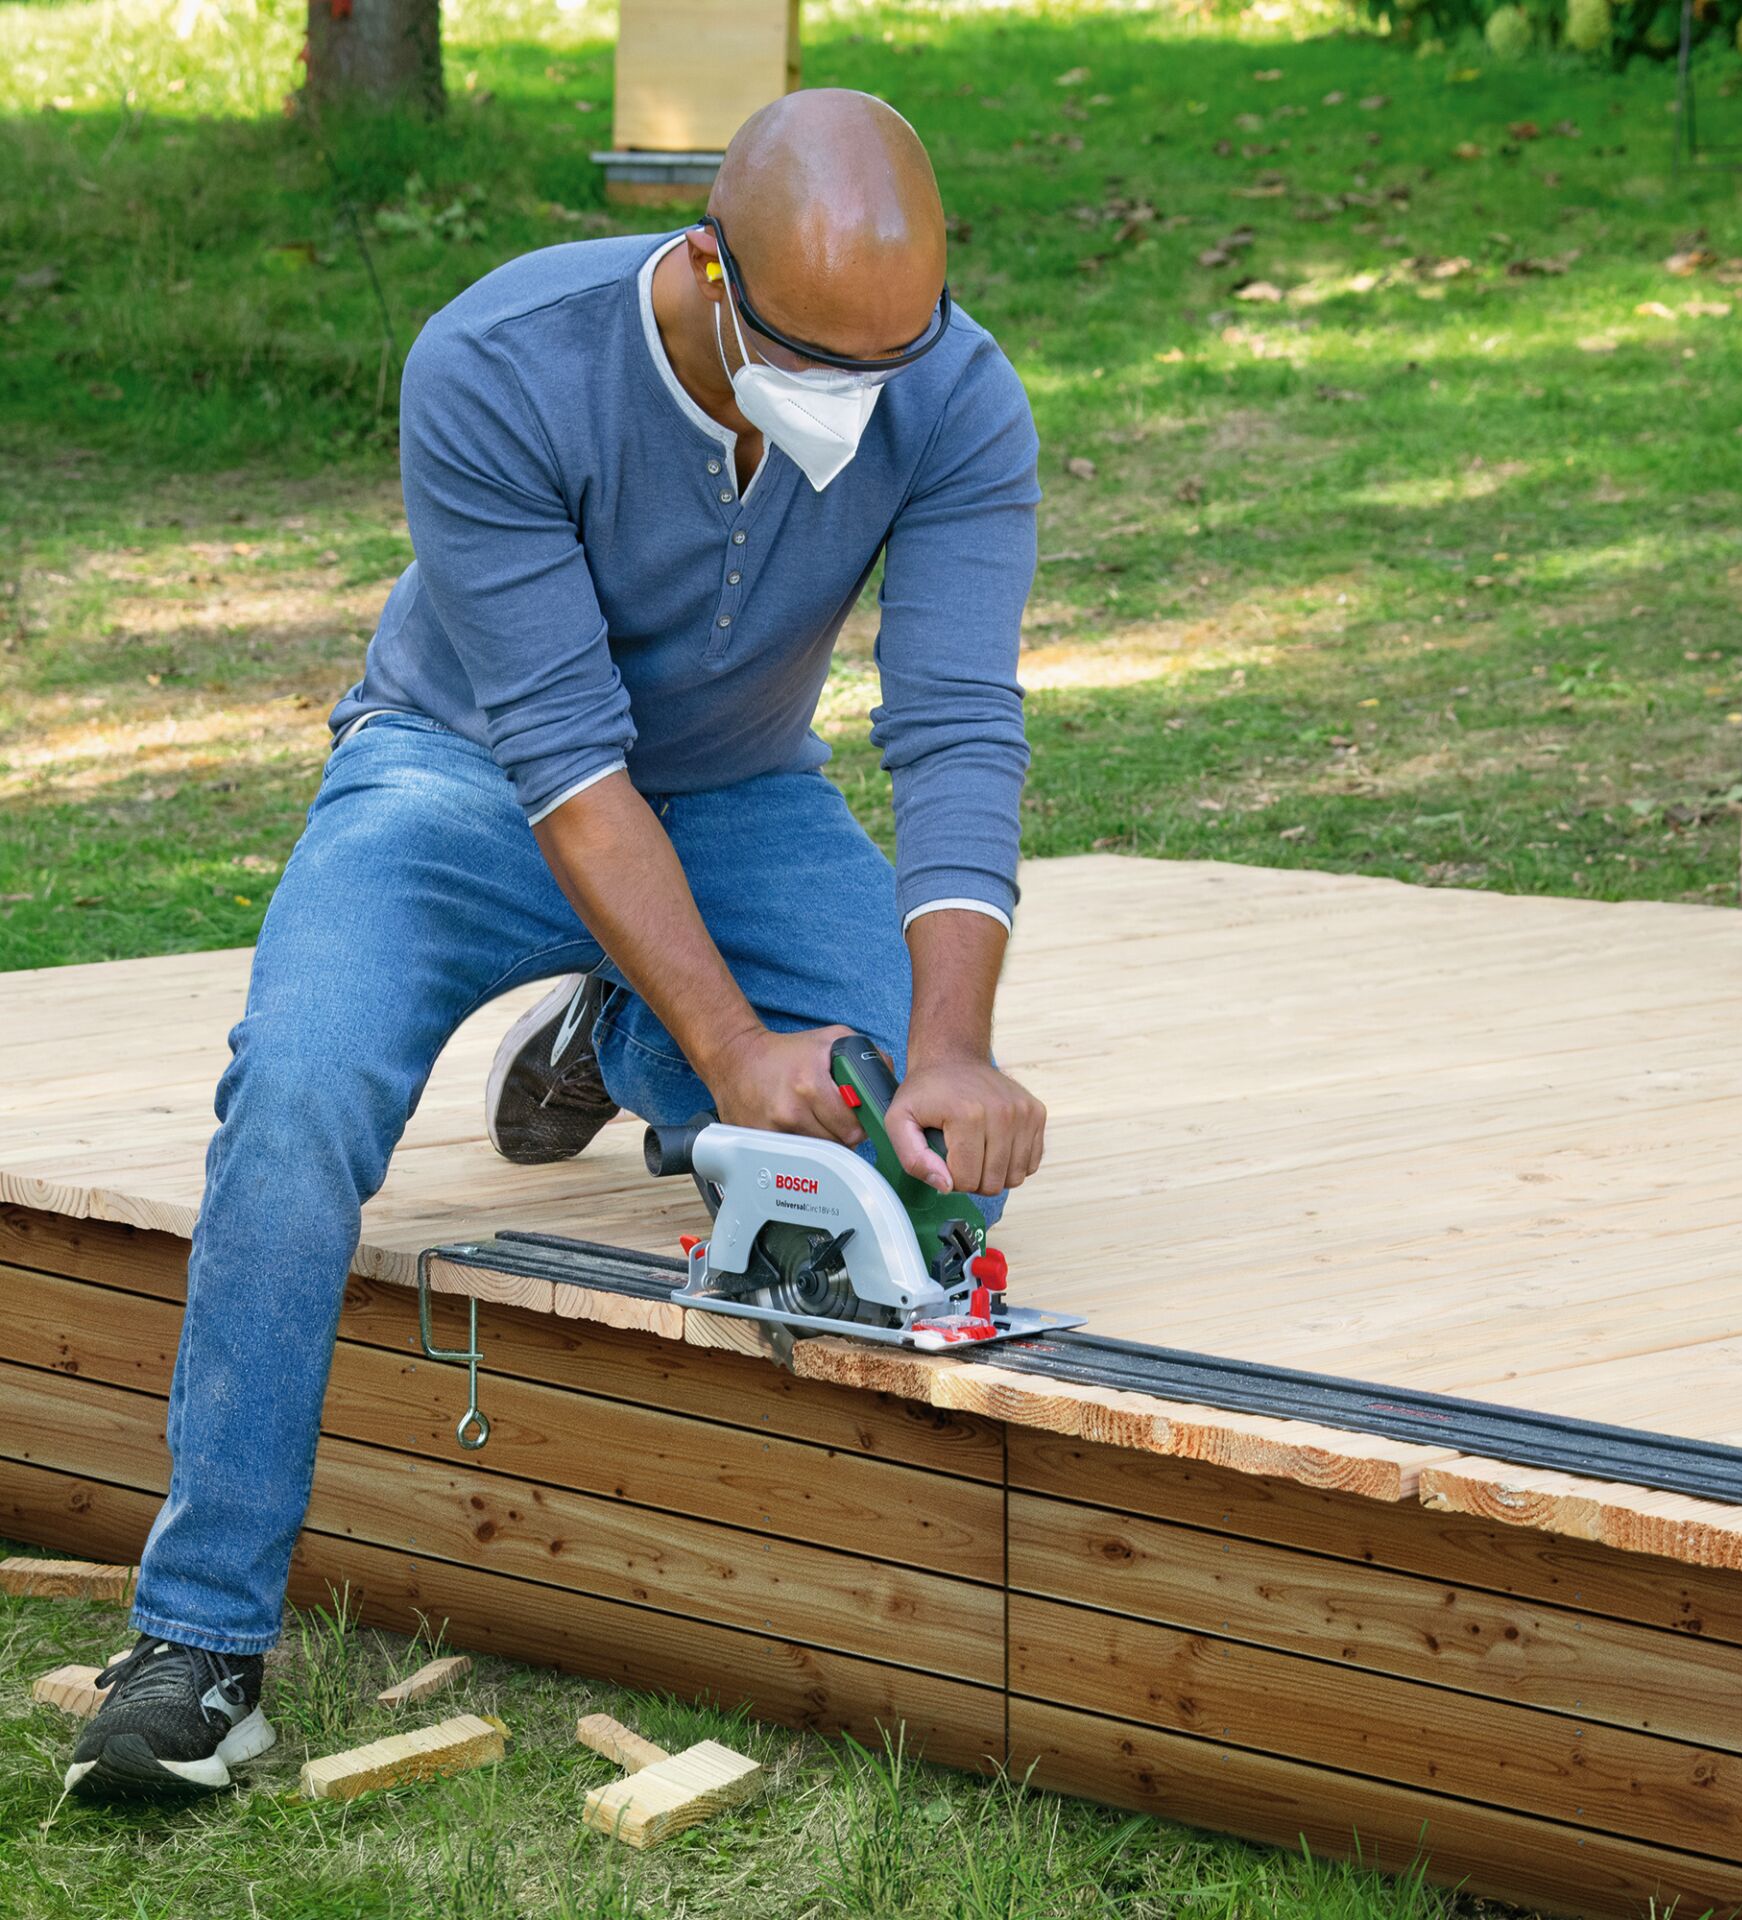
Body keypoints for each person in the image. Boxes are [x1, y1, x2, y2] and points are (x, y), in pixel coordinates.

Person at [65, 87, 1046, 1797]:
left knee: (900, 1126)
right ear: (708, 269)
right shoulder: (498, 360)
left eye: (896, 355)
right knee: (295, 1095)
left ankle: (629, 1034)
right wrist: (741, 1051)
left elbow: (957, 722)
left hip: (736, 790)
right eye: (819, 355)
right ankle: (203, 1644)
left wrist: (953, 1042)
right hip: (463, 773)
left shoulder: (955, 393)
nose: (863, 399)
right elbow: (565, 759)